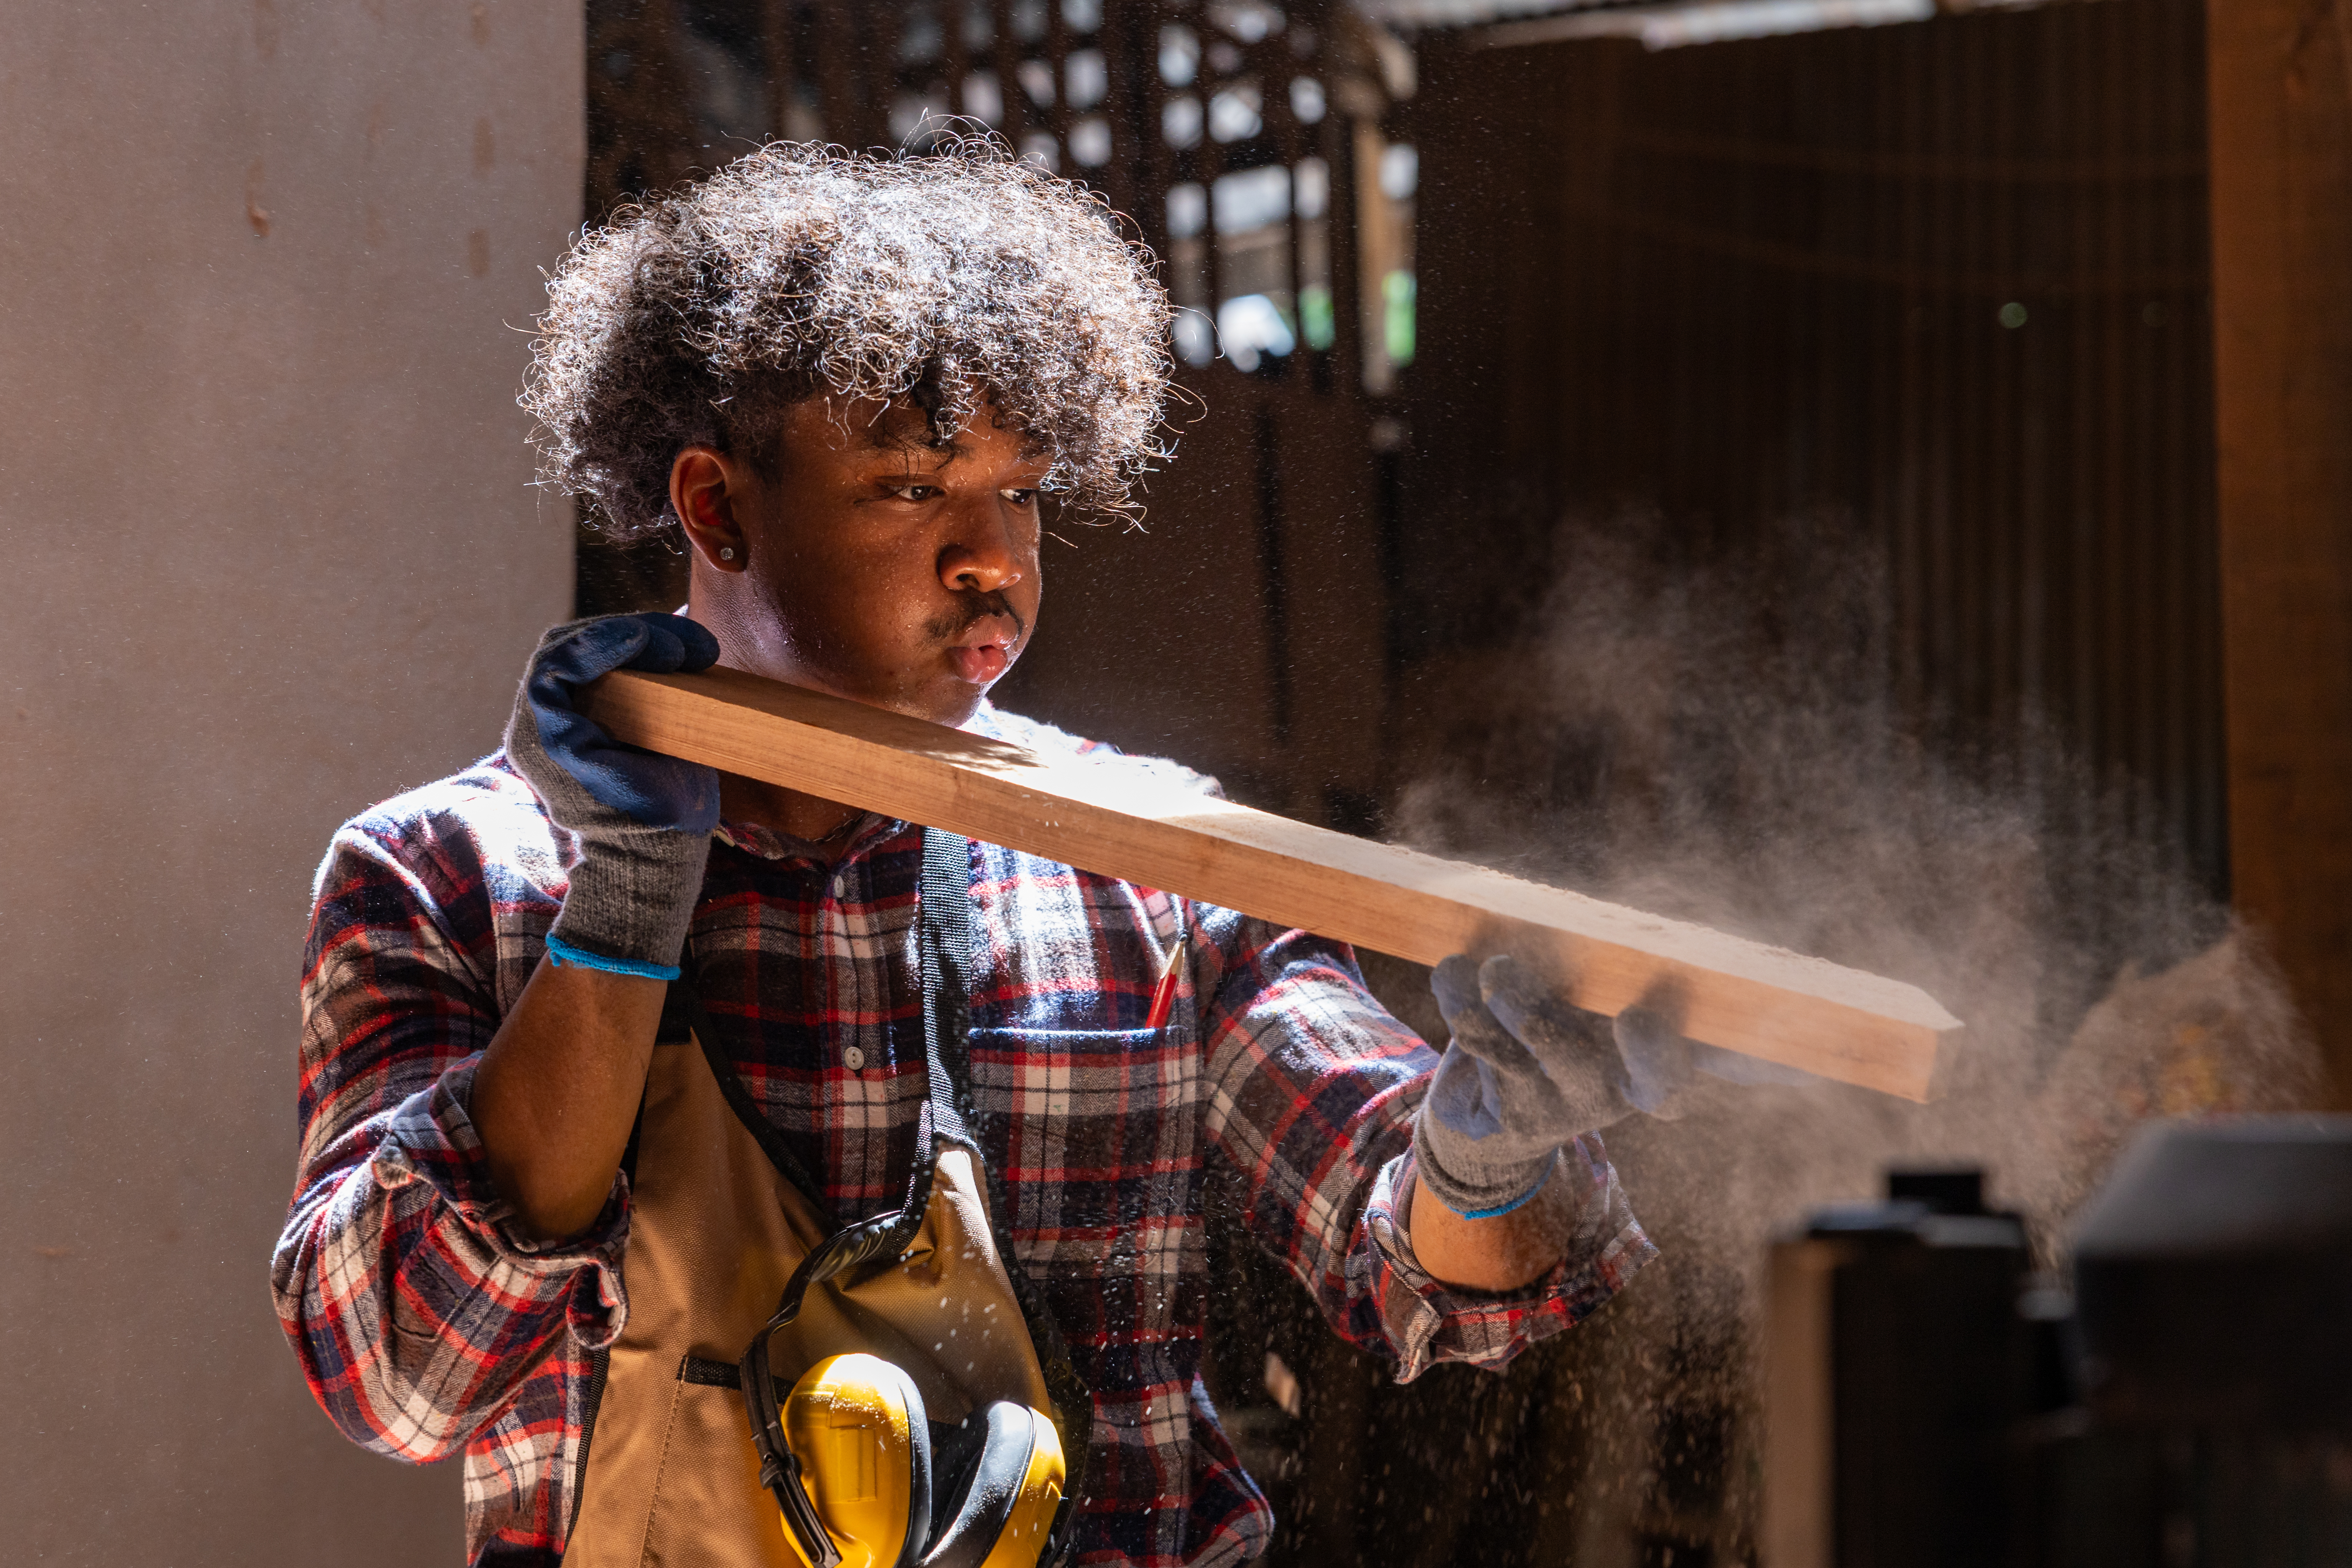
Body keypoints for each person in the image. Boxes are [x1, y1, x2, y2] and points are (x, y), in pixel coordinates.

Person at [272, 141, 1682, 1568]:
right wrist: (624, 910)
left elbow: (1419, 1266)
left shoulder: (1149, 862)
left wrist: (1485, 1158)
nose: (992, 558)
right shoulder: (450, 873)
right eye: (911, 488)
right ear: (717, 507)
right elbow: (397, 1371)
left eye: (1021, 490)